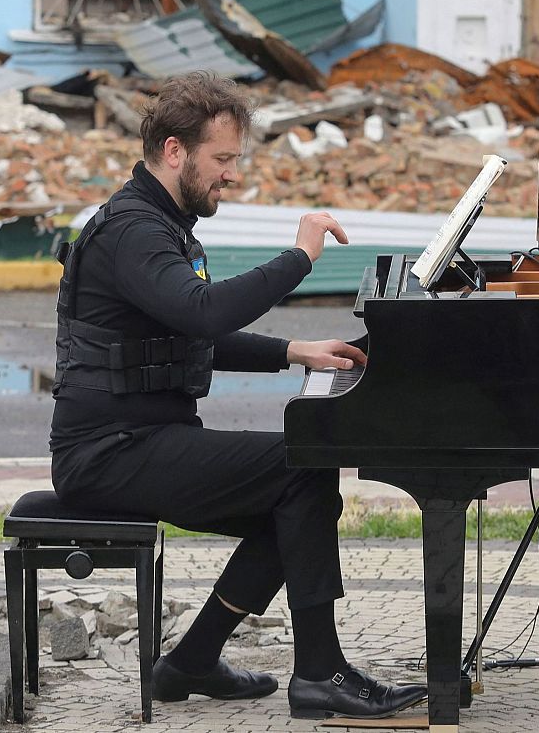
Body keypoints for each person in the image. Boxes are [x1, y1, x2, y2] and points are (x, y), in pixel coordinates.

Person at [48, 72, 426, 720]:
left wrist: (293, 352)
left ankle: (192, 662)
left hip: (140, 440)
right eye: (221, 160)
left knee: (293, 496)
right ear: (175, 152)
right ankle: (319, 673)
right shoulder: (135, 231)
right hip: (107, 453)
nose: (230, 175)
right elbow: (202, 313)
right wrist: (299, 257)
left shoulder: (160, 222)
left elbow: (180, 339)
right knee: (300, 470)